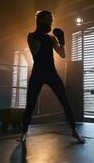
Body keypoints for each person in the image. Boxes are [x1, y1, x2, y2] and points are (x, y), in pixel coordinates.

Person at [20, 10, 85, 144]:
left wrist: (62, 41)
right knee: (30, 103)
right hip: (37, 72)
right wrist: (42, 34)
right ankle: (24, 132)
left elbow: (62, 54)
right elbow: (35, 52)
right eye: (47, 19)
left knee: (65, 100)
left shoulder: (51, 38)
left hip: (51, 72)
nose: (50, 22)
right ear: (40, 20)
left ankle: (74, 131)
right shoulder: (31, 36)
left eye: (51, 20)